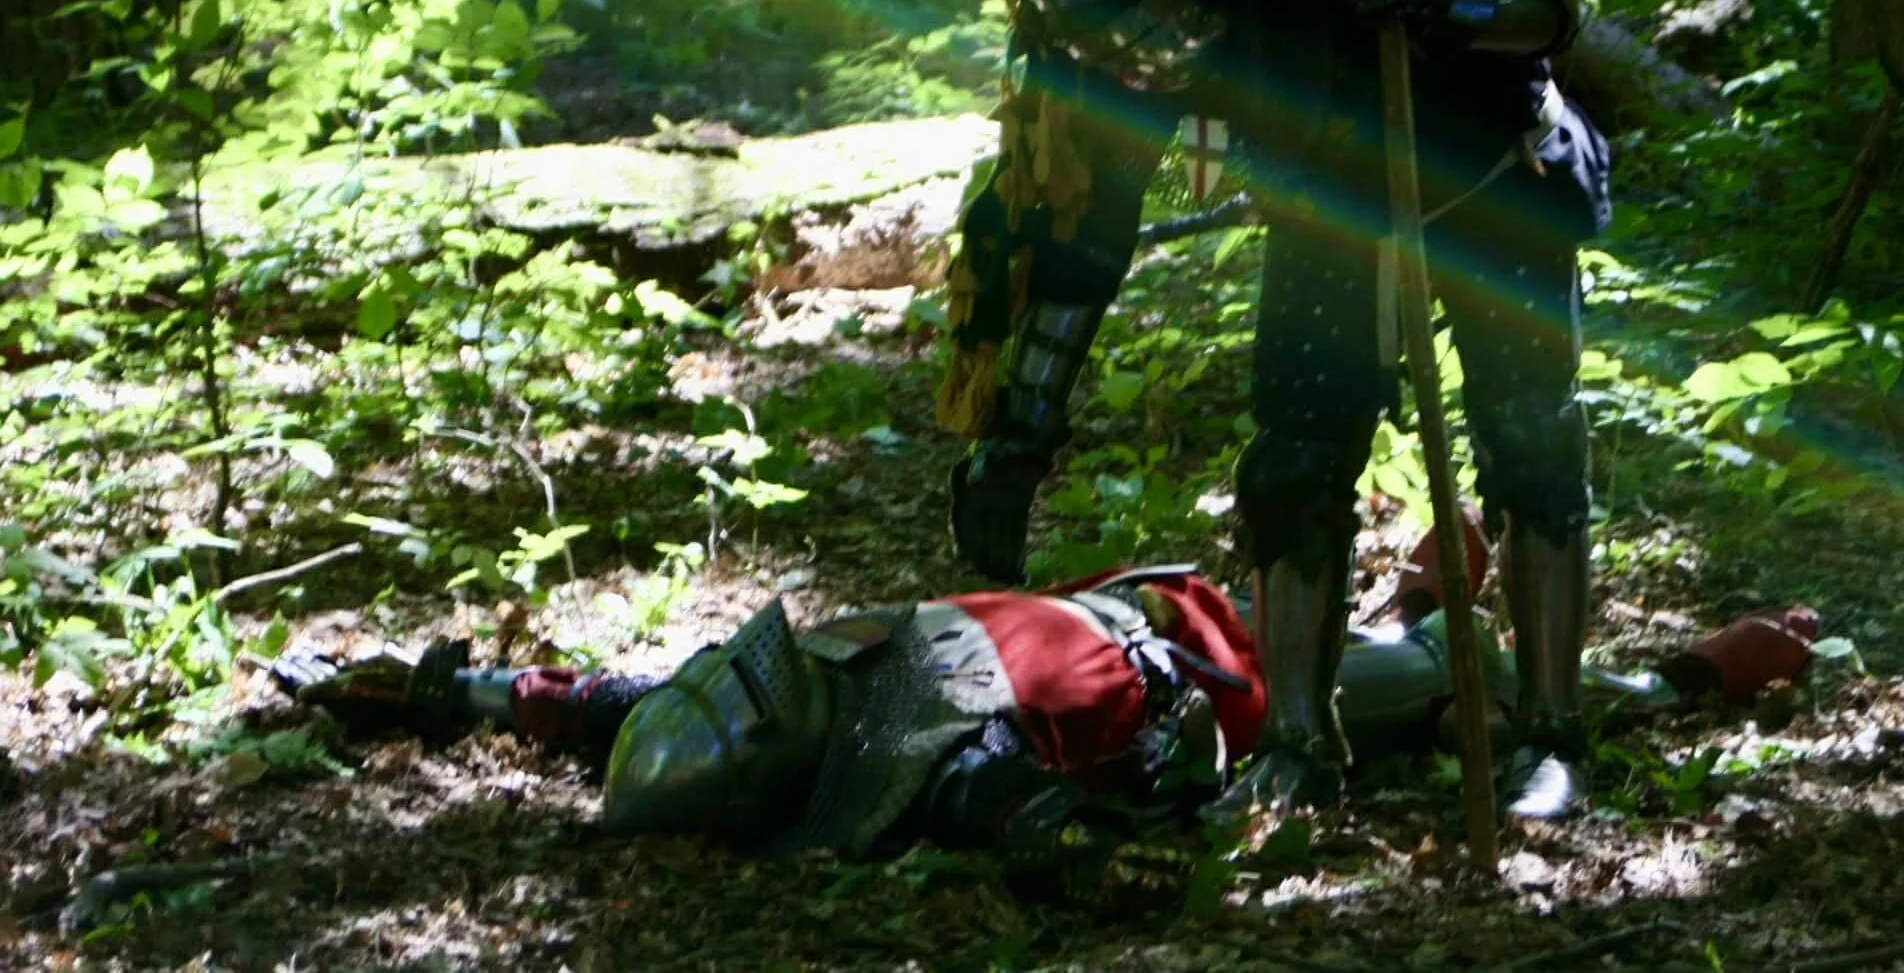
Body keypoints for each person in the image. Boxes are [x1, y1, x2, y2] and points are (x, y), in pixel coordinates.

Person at [935, 0, 1613, 818]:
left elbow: (1549, 6)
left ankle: (1550, 733)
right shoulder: (1087, 27)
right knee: (1293, 460)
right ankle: (1295, 745)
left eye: (1152, 17)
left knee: (1531, 439)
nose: (1143, 47)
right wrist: (1016, 429)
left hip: (1491, 168)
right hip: (1329, 194)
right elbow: (1079, 228)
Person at [275, 552, 1817, 888]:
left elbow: (600, 698)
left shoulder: (800, 675)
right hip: (1226, 682)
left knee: (1418, 668)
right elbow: (1056, 833)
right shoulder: (927, 764)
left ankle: (1452, 610)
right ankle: (1707, 664)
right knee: (1423, 683)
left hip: (1196, 626)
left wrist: (453, 690)